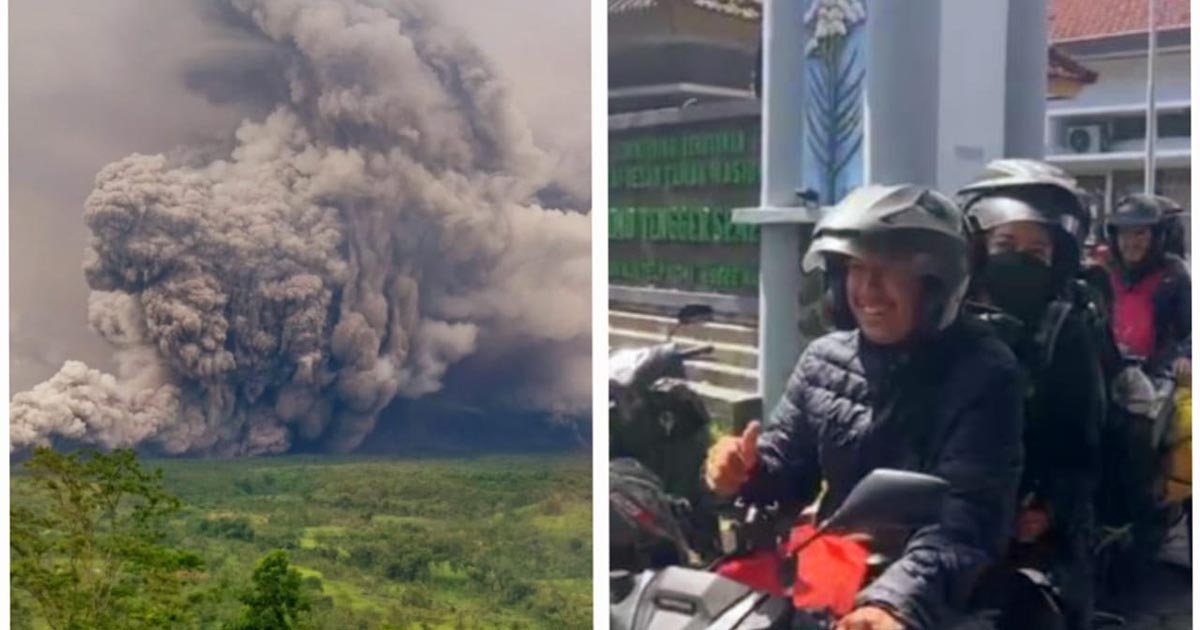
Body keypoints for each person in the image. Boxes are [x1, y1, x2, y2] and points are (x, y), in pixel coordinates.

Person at [705, 184, 1024, 630]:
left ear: (936, 284)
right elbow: (787, 471)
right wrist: (744, 469)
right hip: (837, 565)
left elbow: (967, 518)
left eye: (889, 268)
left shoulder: (984, 372)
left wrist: (895, 603)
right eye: (855, 267)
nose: (867, 289)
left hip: (940, 589)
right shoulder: (824, 359)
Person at [957, 159, 1106, 630]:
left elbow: (1081, 444)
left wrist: (1048, 509)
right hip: (948, 521)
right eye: (1006, 244)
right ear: (979, 249)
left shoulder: (1066, 330)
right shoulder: (946, 320)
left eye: (1036, 250)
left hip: (1035, 530)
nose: (1020, 258)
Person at [1103, 194, 1191, 381]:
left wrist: (1186, 356)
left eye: (1140, 233)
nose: (1131, 243)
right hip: (1113, 374)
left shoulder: (1174, 275)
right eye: (1124, 234)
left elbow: (1190, 329)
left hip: (1159, 377)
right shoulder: (1105, 272)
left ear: (1157, 237)